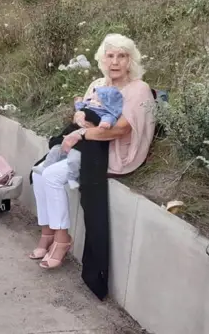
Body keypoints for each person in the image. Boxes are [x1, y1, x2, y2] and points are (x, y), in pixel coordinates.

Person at [29, 33, 156, 269]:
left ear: (131, 61)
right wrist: (78, 118)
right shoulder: (98, 84)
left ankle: (61, 239)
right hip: (90, 146)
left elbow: (119, 130)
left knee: (51, 176)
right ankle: (47, 232)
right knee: (38, 172)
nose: (115, 62)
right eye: (110, 56)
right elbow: (84, 115)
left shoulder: (138, 89)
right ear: (102, 59)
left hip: (113, 152)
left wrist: (81, 133)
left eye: (122, 56)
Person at [32, 85, 123, 190]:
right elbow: (80, 108)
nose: (92, 100)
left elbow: (108, 119)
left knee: (73, 159)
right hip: (70, 135)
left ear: (105, 103)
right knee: (55, 151)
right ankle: (45, 167)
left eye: (96, 99)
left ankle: (72, 177)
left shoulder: (105, 113)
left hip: (83, 142)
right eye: (92, 98)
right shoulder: (88, 106)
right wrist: (78, 103)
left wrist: (104, 124)